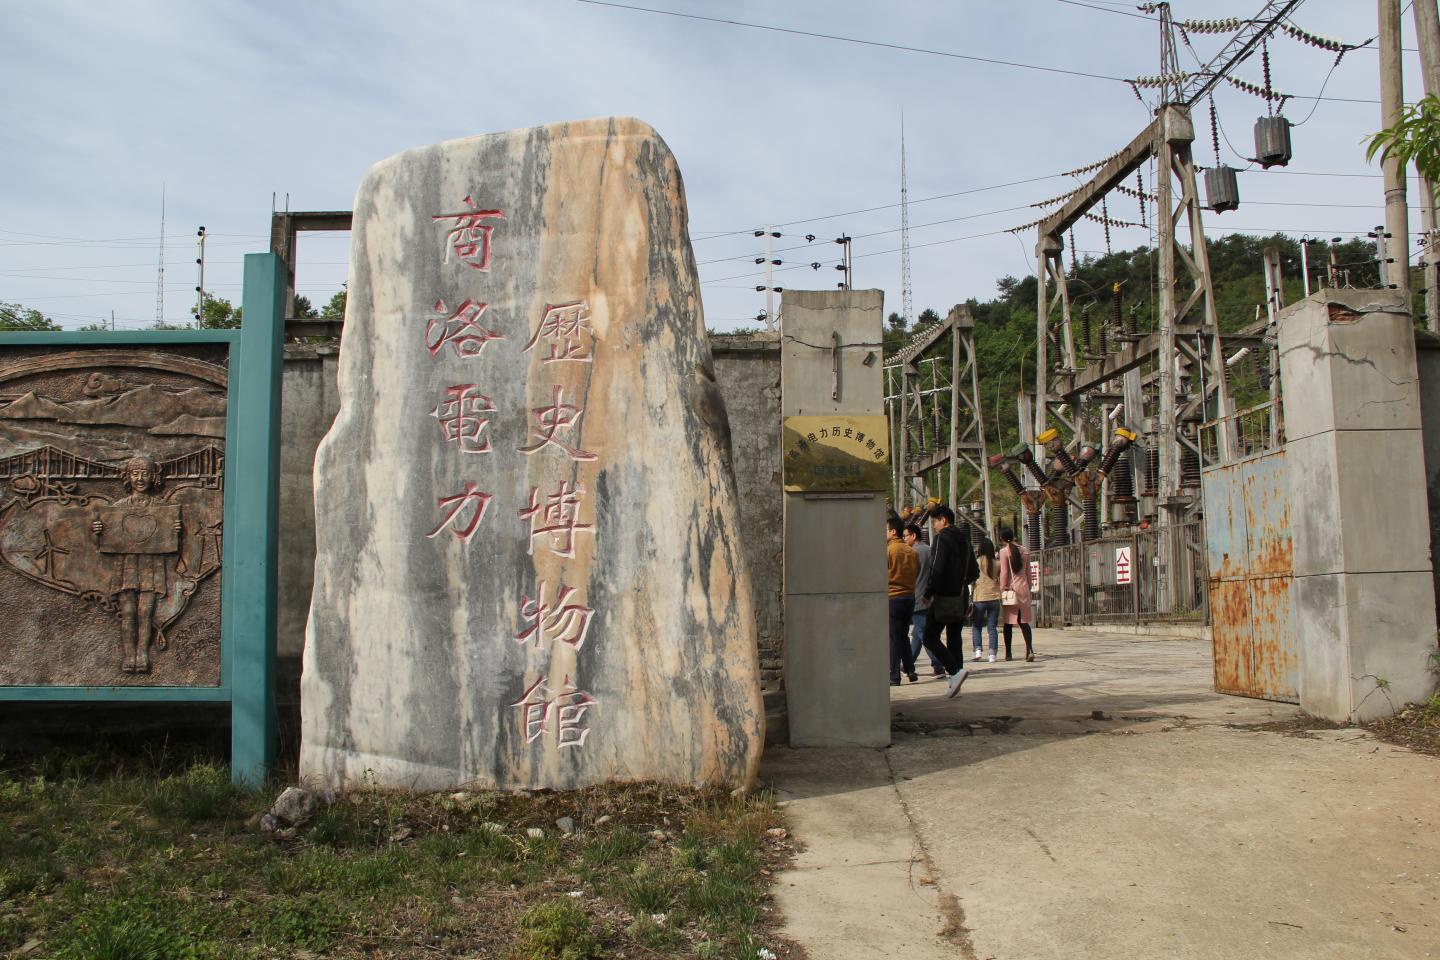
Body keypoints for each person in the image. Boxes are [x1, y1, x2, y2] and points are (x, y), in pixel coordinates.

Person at [918, 505, 977, 698]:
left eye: (935, 522)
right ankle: (956, 682)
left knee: (929, 636)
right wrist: (960, 583)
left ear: (943, 520)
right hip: (961, 596)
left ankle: (955, 671)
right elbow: (974, 572)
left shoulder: (942, 539)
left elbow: (937, 568)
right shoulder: (965, 541)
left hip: (944, 596)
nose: (934, 526)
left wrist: (928, 592)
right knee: (954, 638)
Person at [904, 522, 943, 677]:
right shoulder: (929, 549)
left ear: (913, 536)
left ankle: (938, 664)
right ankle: (909, 663)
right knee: (917, 633)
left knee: (923, 633)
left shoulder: (912, 552)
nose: (904, 539)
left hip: (917, 597)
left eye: (906, 536)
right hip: (929, 595)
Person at [885, 517, 920, 685]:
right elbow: (917, 572)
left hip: (893, 597)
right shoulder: (912, 552)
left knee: (893, 637)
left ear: (893, 532)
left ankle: (894, 676)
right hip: (909, 597)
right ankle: (910, 669)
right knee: (903, 635)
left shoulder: (888, 551)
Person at [997, 526, 1036, 661]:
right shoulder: (1025, 551)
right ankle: (1029, 650)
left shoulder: (1004, 552)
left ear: (1001, 538)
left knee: (1008, 622)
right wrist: (1029, 587)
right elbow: (1028, 573)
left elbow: (1004, 573)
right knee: (1023, 621)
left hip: (1011, 590)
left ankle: (1008, 653)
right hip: (1024, 588)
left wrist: (1003, 588)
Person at [970, 536, 1001, 662]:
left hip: (979, 597)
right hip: (994, 597)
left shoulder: (976, 562)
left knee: (977, 625)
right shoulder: (997, 563)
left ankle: (978, 650)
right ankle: (992, 654)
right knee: (992, 627)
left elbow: (971, 579)